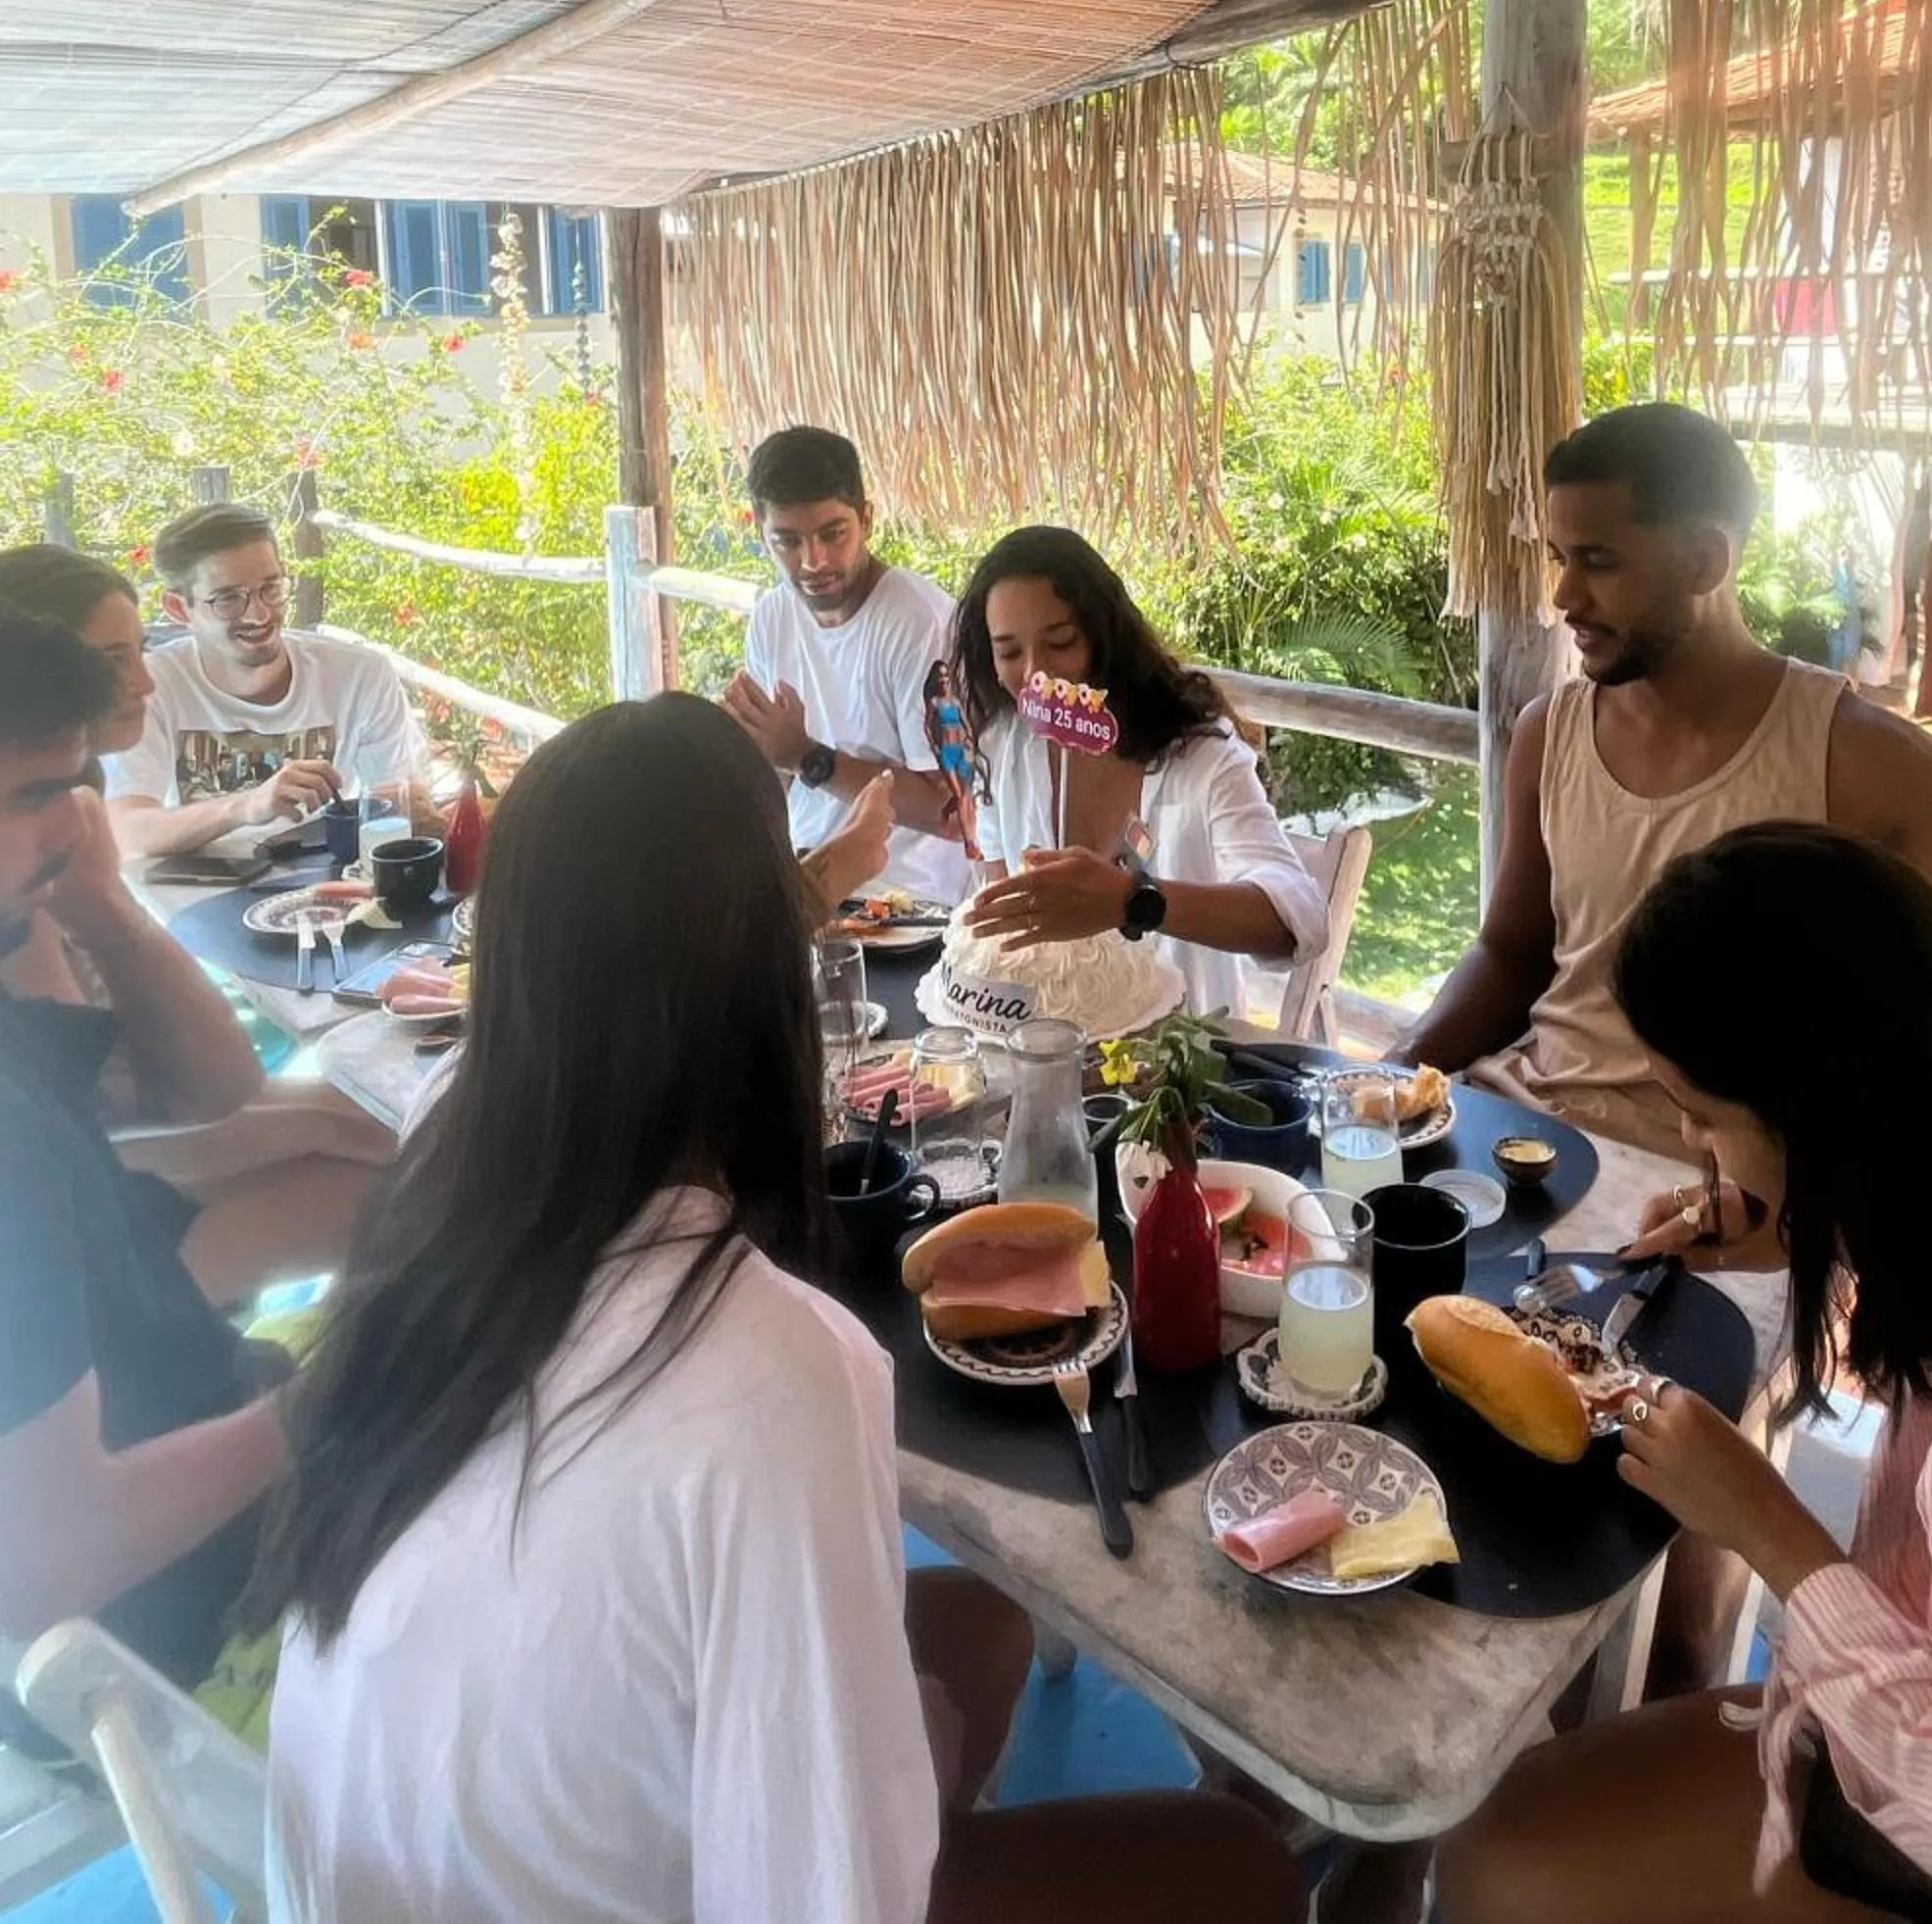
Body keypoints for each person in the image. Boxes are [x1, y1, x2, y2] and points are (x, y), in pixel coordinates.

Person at [258, 695, 1299, 1924]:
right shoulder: (769, 1374)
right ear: (774, 972)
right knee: (1236, 1863)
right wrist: (897, 1772)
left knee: (982, 1622)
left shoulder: (446, 1139)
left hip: (376, 1866)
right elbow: (828, 1896)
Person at [1436, 821, 1932, 1924]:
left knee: (1493, 1860)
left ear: (1827, 1120)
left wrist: (1765, 1523)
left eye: (1707, 1118)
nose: (1697, 1150)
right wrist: (1793, 1226)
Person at [1404, 404, 1932, 1128]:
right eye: (1559, 557)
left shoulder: (1863, 762)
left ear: (1705, 564)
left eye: (1599, 561)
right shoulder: (1553, 733)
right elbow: (1512, 956)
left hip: (1729, 1215)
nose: (1565, 594)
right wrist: (1394, 1075)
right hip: (1526, 1139)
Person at [0, 614, 290, 1725]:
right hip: (186, 1643)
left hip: (190, 1417)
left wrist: (98, 911)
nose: (72, 829)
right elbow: (52, 1560)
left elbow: (215, 1091)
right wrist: (325, 1413)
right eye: (35, 795)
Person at [0, 545, 392, 1286]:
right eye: (112, 659)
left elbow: (206, 1091)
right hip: (66, 1254)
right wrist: (308, 1128)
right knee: (406, 1189)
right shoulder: (30, 869)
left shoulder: (49, 854)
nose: (144, 682)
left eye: (139, 651)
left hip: (107, 1165)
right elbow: (81, 1168)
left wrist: (105, 907)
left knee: (396, 1122)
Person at [949, 526, 1323, 1020]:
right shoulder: (1004, 745)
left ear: (1104, 635)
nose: (1036, 673)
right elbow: (1002, 914)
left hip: (1178, 1063)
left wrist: (1133, 901)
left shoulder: (1198, 757)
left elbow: (1299, 920)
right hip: (1044, 1053)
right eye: (1010, 652)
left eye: (1059, 642)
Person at [722, 427, 970, 908]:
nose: (813, 560)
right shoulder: (773, 616)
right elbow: (772, 776)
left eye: (833, 534)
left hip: (909, 905)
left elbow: (953, 810)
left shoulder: (921, 623)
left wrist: (806, 757)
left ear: (867, 519)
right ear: (760, 533)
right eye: (788, 541)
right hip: (802, 882)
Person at [105, 505, 432, 863]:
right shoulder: (147, 686)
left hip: (326, 893)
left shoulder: (360, 675)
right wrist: (246, 806)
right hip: (192, 906)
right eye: (228, 599)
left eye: (270, 588)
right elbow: (126, 830)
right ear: (179, 608)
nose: (259, 614)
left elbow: (395, 802)